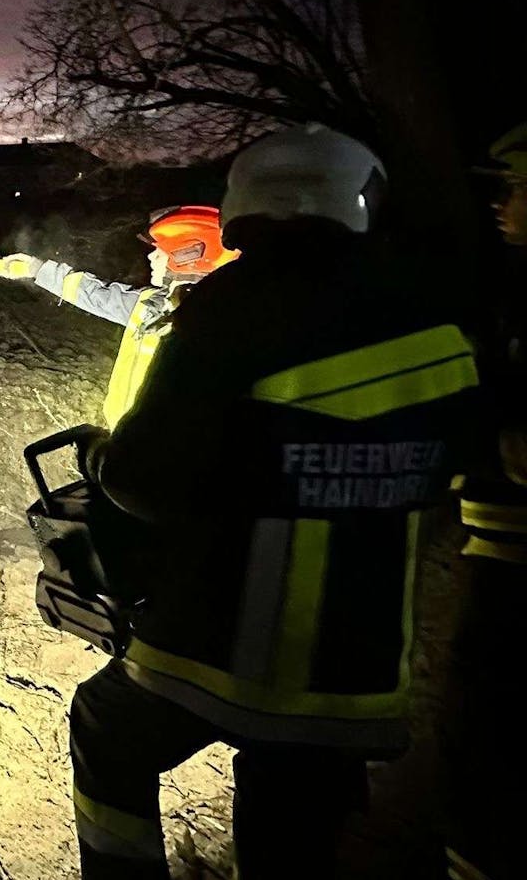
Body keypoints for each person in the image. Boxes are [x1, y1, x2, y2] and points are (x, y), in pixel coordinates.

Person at [67, 124, 480, 879]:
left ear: (248, 204)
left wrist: (97, 453)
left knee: (106, 726)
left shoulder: (228, 307)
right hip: (358, 672)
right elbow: (457, 466)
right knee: (292, 837)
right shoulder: (436, 317)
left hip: (218, 647)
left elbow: (145, 481)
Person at [445, 119, 527, 880]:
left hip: (517, 562)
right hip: (496, 548)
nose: (503, 202)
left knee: (489, 732)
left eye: (517, 186)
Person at [0, 205, 238, 428]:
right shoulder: (150, 304)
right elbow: (93, 293)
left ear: (188, 256)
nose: (150, 255)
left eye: (160, 251)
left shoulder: (220, 328)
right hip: (125, 440)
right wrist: (37, 269)